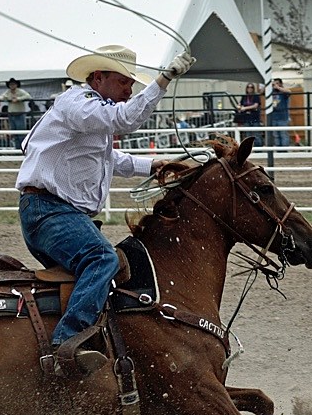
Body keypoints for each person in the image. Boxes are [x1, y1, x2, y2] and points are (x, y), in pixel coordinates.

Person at [15, 44, 195, 377]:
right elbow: (125, 120)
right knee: (102, 260)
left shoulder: (83, 114)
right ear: (99, 78)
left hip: (51, 213)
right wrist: (164, 79)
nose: (129, 91)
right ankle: (68, 343)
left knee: (96, 271)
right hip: (51, 212)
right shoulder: (77, 104)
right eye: (125, 83)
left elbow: (108, 159)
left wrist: (154, 165)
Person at [0, 77, 33, 150]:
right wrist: (9, 98)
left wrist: (18, 99)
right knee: (14, 133)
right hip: (11, 114)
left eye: (13, 84)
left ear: (16, 85)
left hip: (20, 114)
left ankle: (22, 148)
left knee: (21, 133)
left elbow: (28, 96)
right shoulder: (8, 92)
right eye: (10, 84)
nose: (12, 86)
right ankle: (17, 148)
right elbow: (1, 97)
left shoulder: (20, 91)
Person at [268, 78, 292, 147]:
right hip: (273, 116)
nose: (275, 85)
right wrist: (268, 85)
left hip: (283, 117)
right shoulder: (271, 91)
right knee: (276, 135)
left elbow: (289, 92)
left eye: (277, 83)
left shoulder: (283, 91)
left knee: (283, 134)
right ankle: (278, 150)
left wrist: (278, 87)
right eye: (274, 83)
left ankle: (284, 150)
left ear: (281, 84)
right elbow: (261, 92)